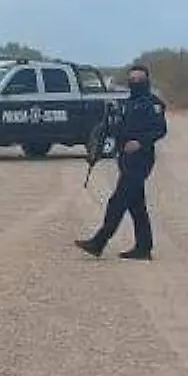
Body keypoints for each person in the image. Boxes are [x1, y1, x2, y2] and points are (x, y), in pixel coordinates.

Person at [76, 63, 168, 260]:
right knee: (136, 205)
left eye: (139, 80)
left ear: (146, 81)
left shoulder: (153, 104)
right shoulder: (126, 104)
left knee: (118, 201)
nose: (135, 83)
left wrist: (140, 142)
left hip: (141, 159)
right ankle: (144, 247)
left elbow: (160, 130)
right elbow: (117, 129)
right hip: (125, 158)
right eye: (132, 80)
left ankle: (99, 241)